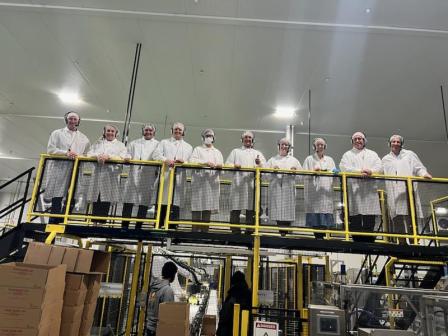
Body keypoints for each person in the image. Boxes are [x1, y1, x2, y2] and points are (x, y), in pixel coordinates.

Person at [382, 134, 432, 244]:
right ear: (389, 144)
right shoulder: (385, 159)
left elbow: (419, 167)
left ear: (401, 144)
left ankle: (414, 240)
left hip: (408, 191)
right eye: (393, 142)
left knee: (411, 216)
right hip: (393, 193)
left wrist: (424, 174)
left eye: (398, 142)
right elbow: (379, 171)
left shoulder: (409, 155)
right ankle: (402, 242)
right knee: (397, 218)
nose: (395, 143)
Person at [45, 111, 90, 224]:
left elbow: (87, 154)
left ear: (78, 121)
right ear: (66, 120)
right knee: (57, 192)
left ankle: (65, 216)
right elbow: (50, 149)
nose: (72, 121)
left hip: (76, 168)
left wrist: (78, 157)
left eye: (75, 119)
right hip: (59, 166)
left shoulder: (84, 138)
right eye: (70, 118)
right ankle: (54, 218)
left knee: (73, 192)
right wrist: (66, 153)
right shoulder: (56, 133)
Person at [339, 132, 382, 243]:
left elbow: (380, 167)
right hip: (355, 189)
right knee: (355, 214)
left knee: (370, 214)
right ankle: (357, 239)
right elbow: (344, 168)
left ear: (364, 141)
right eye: (356, 139)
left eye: (360, 138)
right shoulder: (347, 155)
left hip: (369, 189)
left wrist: (371, 171)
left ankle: (369, 238)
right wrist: (360, 171)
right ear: (352, 141)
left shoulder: (373, 154)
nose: (358, 140)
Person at [152, 122, 193, 227]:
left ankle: (173, 228)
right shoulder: (164, 142)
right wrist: (166, 160)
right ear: (172, 130)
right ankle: (158, 226)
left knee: (175, 203)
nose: (178, 131)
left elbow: (191, 162)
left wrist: (183, 162)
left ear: (183, 132)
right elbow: (156, 155)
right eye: (176, 129)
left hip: (179, 178)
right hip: (165, 176)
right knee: (163, 201)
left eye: (180, 129)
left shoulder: (188, 147)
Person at [86, 125, 128, 223]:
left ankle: (101, 224)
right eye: (108, 130)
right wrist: (98, 156)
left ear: (116, 133)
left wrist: (109, 157)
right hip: (97, 175)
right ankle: (94, 224)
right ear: (104, 132)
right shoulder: (97, 143)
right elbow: (89, 154)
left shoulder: (121, 145)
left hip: (110, 177)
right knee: (96, 199)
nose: (110, 132)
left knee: (106, 200)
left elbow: (123, 156)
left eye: (112, 131)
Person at [226, 131, 265, 234]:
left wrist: (259, 164)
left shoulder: (258, 153)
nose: (248, 139)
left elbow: (265, 168)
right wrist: (234, 165)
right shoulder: (235, 151)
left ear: (253, 140)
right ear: (242, 139)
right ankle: (235, 232)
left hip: (252, 186)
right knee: (235, 208)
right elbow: (227, 164)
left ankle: (250, 232)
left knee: (251, 209)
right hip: (238, 185)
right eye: (246, 137)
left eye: (249, 137)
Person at [121, 124, 160, 229]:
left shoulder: (158, 144)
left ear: (154, 132)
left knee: (144, 202)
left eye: (150, 130)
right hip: (133, 175)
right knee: (128, 200)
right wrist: (127, 157)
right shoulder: (134, 143)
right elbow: (126, 153)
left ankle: (138, 226)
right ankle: (124, 226)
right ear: (143, 131)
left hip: (148, 176)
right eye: (146, 130)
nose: (148, 132)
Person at [189, 129, 224, 232]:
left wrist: (218, 166)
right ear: (203, 138)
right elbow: (192, 161)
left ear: (214, 138)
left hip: (211, 184)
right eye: (207, 135)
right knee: (196, 206)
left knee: (207, 207)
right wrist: (205, 163)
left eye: (210, 136)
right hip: (198, 183)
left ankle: (205, 232)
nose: (209, 137)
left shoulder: (217, 152)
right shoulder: (197, 149)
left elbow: (222, 168)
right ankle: (194, 232)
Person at [266, 138, 301, 236]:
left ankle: (285, 232)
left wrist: (295, 171)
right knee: (278, 211)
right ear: (279, 146)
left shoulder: (294, 160)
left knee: (287, 211)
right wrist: (273, 170)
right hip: (276, 188)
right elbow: (265, 175)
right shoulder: (272, 160)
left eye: (286, 145)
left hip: (288, 189)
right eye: (282, 144)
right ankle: (281, 232)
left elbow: (301, 177)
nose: (284, 146)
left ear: (289, 147)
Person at [303, 138, 337, 239]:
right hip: (314, 194)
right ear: (314, 147)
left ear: (325, 146)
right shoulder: (309, 159)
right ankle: (317, 236)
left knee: (325, 215)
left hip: (326, 192)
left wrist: (335, 172)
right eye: (318, 145)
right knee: (315, 217)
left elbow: (334, 175)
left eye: (322, 145)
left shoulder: (330, 160)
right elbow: (303, 175)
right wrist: (313, 171)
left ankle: (322, 236)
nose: (320, 146)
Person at [146, 261, 178, 336]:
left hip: (149, 327)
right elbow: (168, 314)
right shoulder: (167, 290)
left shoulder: (154, 286)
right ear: (172, 275)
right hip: (158, 330)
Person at [216, 271, 252, 336]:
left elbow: (224, 316)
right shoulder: (249, 294)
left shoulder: (232, 295)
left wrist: (219, 331)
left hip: (230, 329)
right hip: (245, 328)